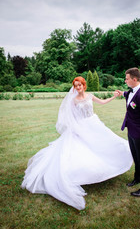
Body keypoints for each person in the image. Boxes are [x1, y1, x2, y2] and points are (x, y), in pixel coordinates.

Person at [21, 76, 133, 210]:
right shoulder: (73, 101)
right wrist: (76, 129)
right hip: (81, 126)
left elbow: (102, 102)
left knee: (106, 142)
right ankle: (87, 172)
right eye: (76, 86)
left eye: (80, 85)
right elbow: (71, 117)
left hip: (94, 123)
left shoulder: (90, 96)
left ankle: (115, 159)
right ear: (74, 87)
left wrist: (114, 96)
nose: (78, 87)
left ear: (84, 85)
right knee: (83, 149)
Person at [116, 68, 140, 197]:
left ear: (134, 79)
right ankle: (137, 178)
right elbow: (128, 95)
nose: (125, 80)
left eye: (127, 78)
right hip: (131, 130)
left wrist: (138, 120)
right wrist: (122, 93)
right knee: (136, 157)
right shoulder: (132, 91)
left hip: (139, 133)